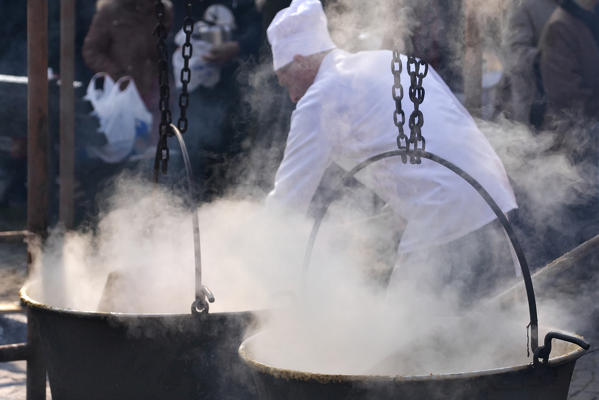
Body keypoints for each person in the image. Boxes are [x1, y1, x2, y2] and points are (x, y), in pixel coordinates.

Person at [265, 0, 519, 305]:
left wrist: (258, 275)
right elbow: (430, 158)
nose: (292, 96)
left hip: (445, 221)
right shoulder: (388, 61)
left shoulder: (320, 98)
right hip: (498, 206)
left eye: (287, 80)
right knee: (500, 341)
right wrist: (367, 232)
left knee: (409, 346)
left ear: (300, 59)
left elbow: (286, 203)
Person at [82, 0, 173, 150]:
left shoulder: (162, 11)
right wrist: (116, 74)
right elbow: (91, 51)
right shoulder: (110, 11)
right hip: (125, 90)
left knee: (156, 144)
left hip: (155, 85)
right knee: (128, 145)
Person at [502, 0, 557, 125]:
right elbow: (515, 53)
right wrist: (546, 57)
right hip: (534, 104)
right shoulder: (525, 6)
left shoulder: (583, 5)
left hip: (575, 102)